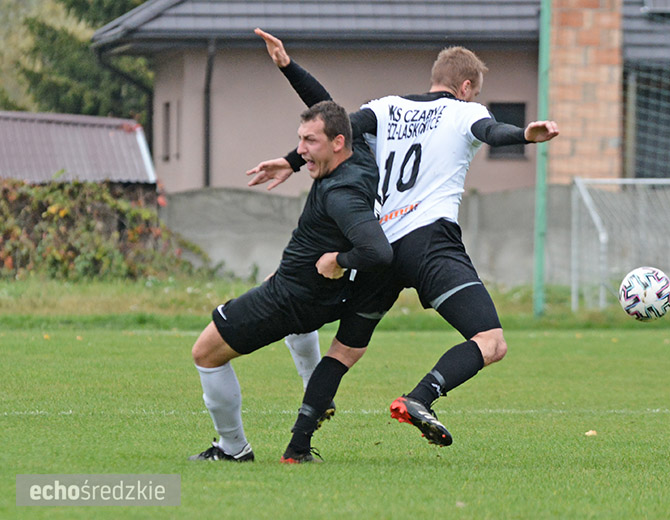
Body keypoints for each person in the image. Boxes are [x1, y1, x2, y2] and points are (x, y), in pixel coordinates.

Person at [251, 29, 559, 462]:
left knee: (344, 350)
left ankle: (296, 447)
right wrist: (525, 135)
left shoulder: (386, 108)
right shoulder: (463, 113)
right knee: (490, 341)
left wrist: (290, 152)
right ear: (466, 87)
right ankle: (421, 396)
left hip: (379, 245)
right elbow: (491, 131)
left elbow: (333, 123)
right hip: (431, 242)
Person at [188, 100, 392, 462]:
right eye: (299, 139)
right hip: (312, 293)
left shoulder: (340, 194)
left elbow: (378, 251)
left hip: (291, 299)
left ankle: (232, 449)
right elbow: (328, 106)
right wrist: (285, 65)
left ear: (338, 142)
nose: (300, 151)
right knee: (298, 327)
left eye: (310, 141)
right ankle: (319, 390)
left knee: (205, 354)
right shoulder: (358, 157)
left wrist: (339, 260)